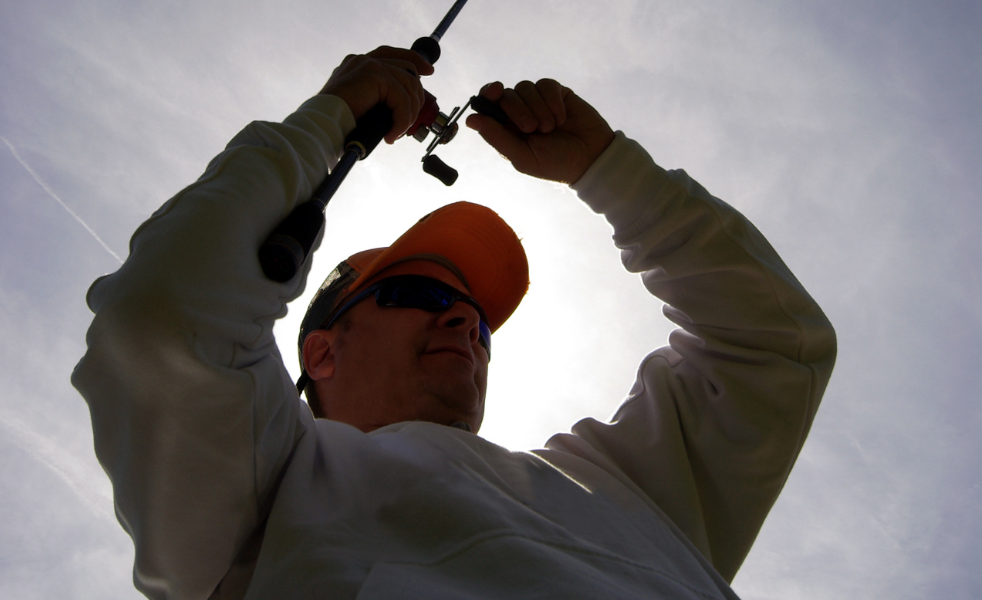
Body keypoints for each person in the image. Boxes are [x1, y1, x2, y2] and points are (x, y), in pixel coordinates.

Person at [73, 46, 837, 599]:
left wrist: (608, 167)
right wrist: (331, 119)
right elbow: (165, 318)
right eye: (423, 299)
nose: (465, 325)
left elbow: (773, 344)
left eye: (479, 319)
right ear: (323, 350)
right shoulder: (260, 485)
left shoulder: (619, 485)